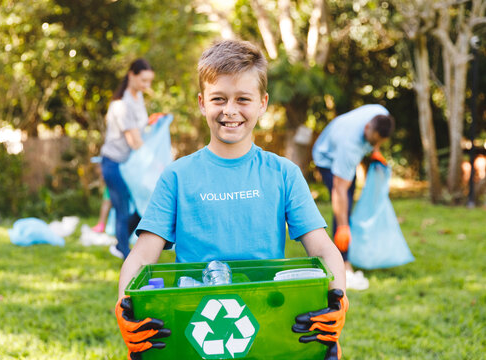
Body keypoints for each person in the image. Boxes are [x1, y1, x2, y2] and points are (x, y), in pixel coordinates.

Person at [115, 40, 348, 360]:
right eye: (218, 99)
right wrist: (124, 305)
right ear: (202, 103)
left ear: (263, 103)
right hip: (193, 323)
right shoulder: (177, 176)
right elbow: (142, 255)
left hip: (269, 320)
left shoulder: (283, 173)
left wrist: (337, 297)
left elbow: (322, 248)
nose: (230, 110)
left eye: (243, 99)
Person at [312, 104, 395, 290]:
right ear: (367, 128)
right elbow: (338, 190)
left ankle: (345, 251)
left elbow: (377, 137)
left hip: (342, 145)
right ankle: (343, 262)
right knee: (344, 205)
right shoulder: (349, 145)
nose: (374, 143)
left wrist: (375, 151)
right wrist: (343, 226)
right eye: (372, 141)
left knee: (348, 200)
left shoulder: (382, 114)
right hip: (326, 157)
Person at [100, 58, 155, 259]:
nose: (146, 86)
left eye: (150, 81)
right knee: (122, 208)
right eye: (143, 80)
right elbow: (134, 140)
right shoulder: (121, 105)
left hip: (130, 165)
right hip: (113, 164)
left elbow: (141, 127)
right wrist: (155, 160)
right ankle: (125, 254)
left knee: (143, 205)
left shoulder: (138, 98)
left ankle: (120, 245)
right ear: (131, 75)